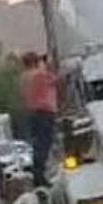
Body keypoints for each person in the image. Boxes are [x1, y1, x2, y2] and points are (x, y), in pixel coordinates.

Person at [20, 51, 58, 187]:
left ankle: (38, 174)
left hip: (31, 113)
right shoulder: (39, 74)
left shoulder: (24, 76)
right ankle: (40, 175)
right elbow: (57, 80)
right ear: (35, 61)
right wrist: (47, 64)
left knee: (37, 144)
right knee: (44, 144)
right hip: (44, 112)